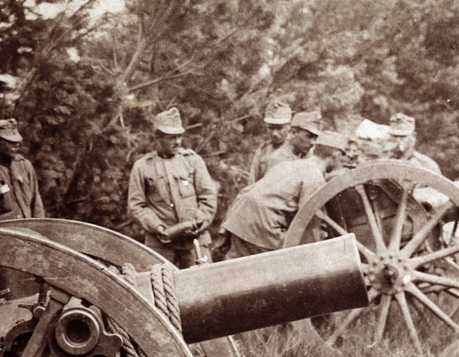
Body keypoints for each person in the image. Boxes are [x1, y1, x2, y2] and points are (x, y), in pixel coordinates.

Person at [221, 129, 348, 257]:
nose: (345, 160)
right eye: (344, 155)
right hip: (263, 225)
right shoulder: (315, 176)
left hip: (240, 216)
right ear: (336, 154)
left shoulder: (289, 165)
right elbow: (307, 221)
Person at [126, 107, 219, 268]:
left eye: (179, 137)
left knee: (205, 286)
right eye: (171, 138)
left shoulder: (193, 161)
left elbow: (208, 198)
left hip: (195, 242)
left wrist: (198, 223)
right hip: (160, 246)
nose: (177, 142)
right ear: (157, 137)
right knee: (157, 287)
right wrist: (157, 227)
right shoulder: (142, 167)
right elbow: (136, 206)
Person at [0, 118, 44, 220]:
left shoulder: (25, 165)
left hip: (29, 229)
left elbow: (37, 204)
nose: (17, 145)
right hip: (4, 231)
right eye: (10, 141)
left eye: (17, 141)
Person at [247, 100, 295, 184]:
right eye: (271, 128)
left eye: (279, 128)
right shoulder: (262, 151)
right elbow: (252, 182)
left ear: (289, 126)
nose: (274, 133)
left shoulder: (297, 150)